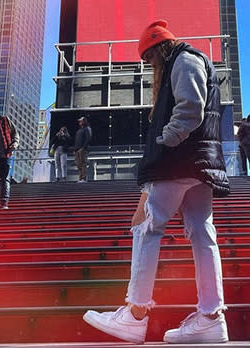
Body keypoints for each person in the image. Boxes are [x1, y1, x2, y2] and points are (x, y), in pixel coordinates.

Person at [83, 20, 230, 344]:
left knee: (146, 227)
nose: (149, 66)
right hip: (197, 162)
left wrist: (164, 142)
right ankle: (211, 317)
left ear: (157, 49)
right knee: (202, 234)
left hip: (178, 160)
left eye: (148, 59)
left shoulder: (184, 59)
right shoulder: (189, 60)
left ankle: (135, 315)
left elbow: (190, 110)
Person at [74, 116, 92, 182]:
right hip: (77, 149)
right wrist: (75, 149)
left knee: (83, 163)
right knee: (78, 164)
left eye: (81, 121)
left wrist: (83, 147)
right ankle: (80, 178)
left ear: (84, 121)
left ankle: (84, 178)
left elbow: (88, 138)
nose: (79, 122)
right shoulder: (79, 130)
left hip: (82, 149)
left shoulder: (87, 129)